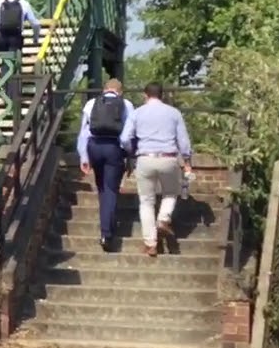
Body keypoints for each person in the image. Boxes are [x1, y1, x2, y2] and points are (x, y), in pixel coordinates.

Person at [121, 83, 193, 257]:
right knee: (170, 193)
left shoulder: (137, 113)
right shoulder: (174, 113)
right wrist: (187, 160)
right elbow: (183, 141)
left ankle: (150, 244)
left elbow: (124, 138)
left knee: (146, 202)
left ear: (145, 95)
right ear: (162, 95)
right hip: (168, 158)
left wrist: (131, 152)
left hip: (145, 158)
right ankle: (163, 218)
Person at [77, 79, 136, 251]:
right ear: (120, 91)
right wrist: (130, 154)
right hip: (113, 148)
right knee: (111, 189)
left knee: (102, 187)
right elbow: (127, 136)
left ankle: (107, 224)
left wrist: (83, 157)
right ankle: (106, 233)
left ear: (104, 90)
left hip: (94, 147)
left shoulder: (91, 104)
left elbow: (83, 133)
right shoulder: (126, 105)